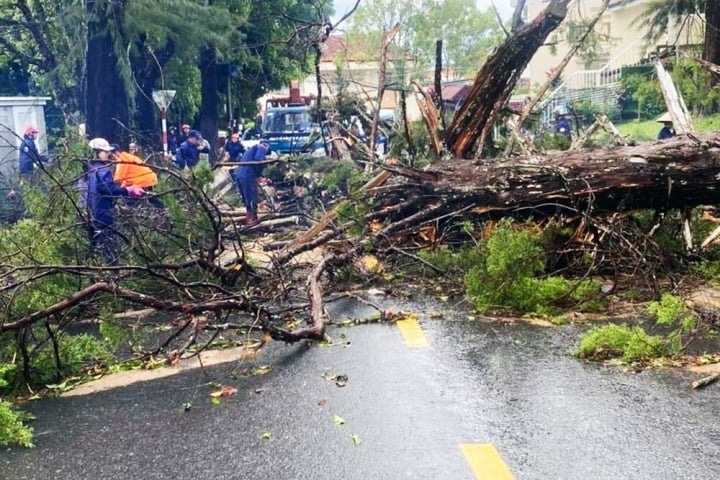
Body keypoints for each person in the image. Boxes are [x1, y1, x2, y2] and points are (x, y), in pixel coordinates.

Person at [84, 138, 145, 264]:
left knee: (91, 245)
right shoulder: (103, 171)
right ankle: (114, 272)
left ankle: (88, 268)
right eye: (105, 152)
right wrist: (128, 190)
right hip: (103, 213)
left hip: (90, 213)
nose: (108, 155)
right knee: (110, 246)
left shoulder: (89, 169)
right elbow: (109, 190)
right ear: (97, 152)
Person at [110, 144, 164, 209]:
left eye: (110, 155)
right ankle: (163, 209)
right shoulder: (128, 156)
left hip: (142, 180)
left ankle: (131, 213)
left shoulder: (122, 160)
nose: (111, 158)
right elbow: (125, 178)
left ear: (116, 152)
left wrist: (112, 185)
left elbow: (118, 178)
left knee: (129, 198)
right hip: (149, 178)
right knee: (150, 198)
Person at [232, 139, 270, 226]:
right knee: (252, 197)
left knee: (246, 198)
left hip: (240, 176)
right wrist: (264, 166)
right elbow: (259, 160)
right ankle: (252, 221)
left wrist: (258, 176)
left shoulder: (250, 150)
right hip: (247, 176)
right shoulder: (262, 147)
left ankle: (249, 218)